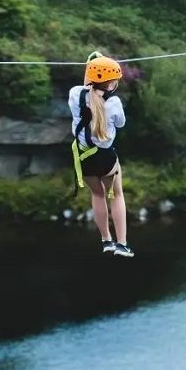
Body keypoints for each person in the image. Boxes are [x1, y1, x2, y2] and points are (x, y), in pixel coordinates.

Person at [69, 52, 134, 258]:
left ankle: (106, 240)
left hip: (84, 157)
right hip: (105, 157)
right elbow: (121, 123)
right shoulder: (113, 103)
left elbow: (87, 86)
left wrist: (94, 64)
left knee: (97, 195)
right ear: (112, 83)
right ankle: (122, 244)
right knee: (116, 195)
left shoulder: (74, 94)